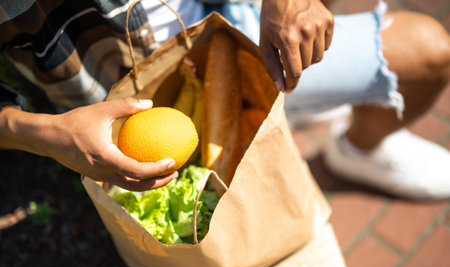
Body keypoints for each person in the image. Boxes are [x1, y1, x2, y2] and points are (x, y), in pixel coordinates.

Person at [0, 0, 449, 199]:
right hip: (110, 93)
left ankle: (357, 151)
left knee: (431, 53)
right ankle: (298, 106)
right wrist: (43, 133)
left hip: (242, 21)